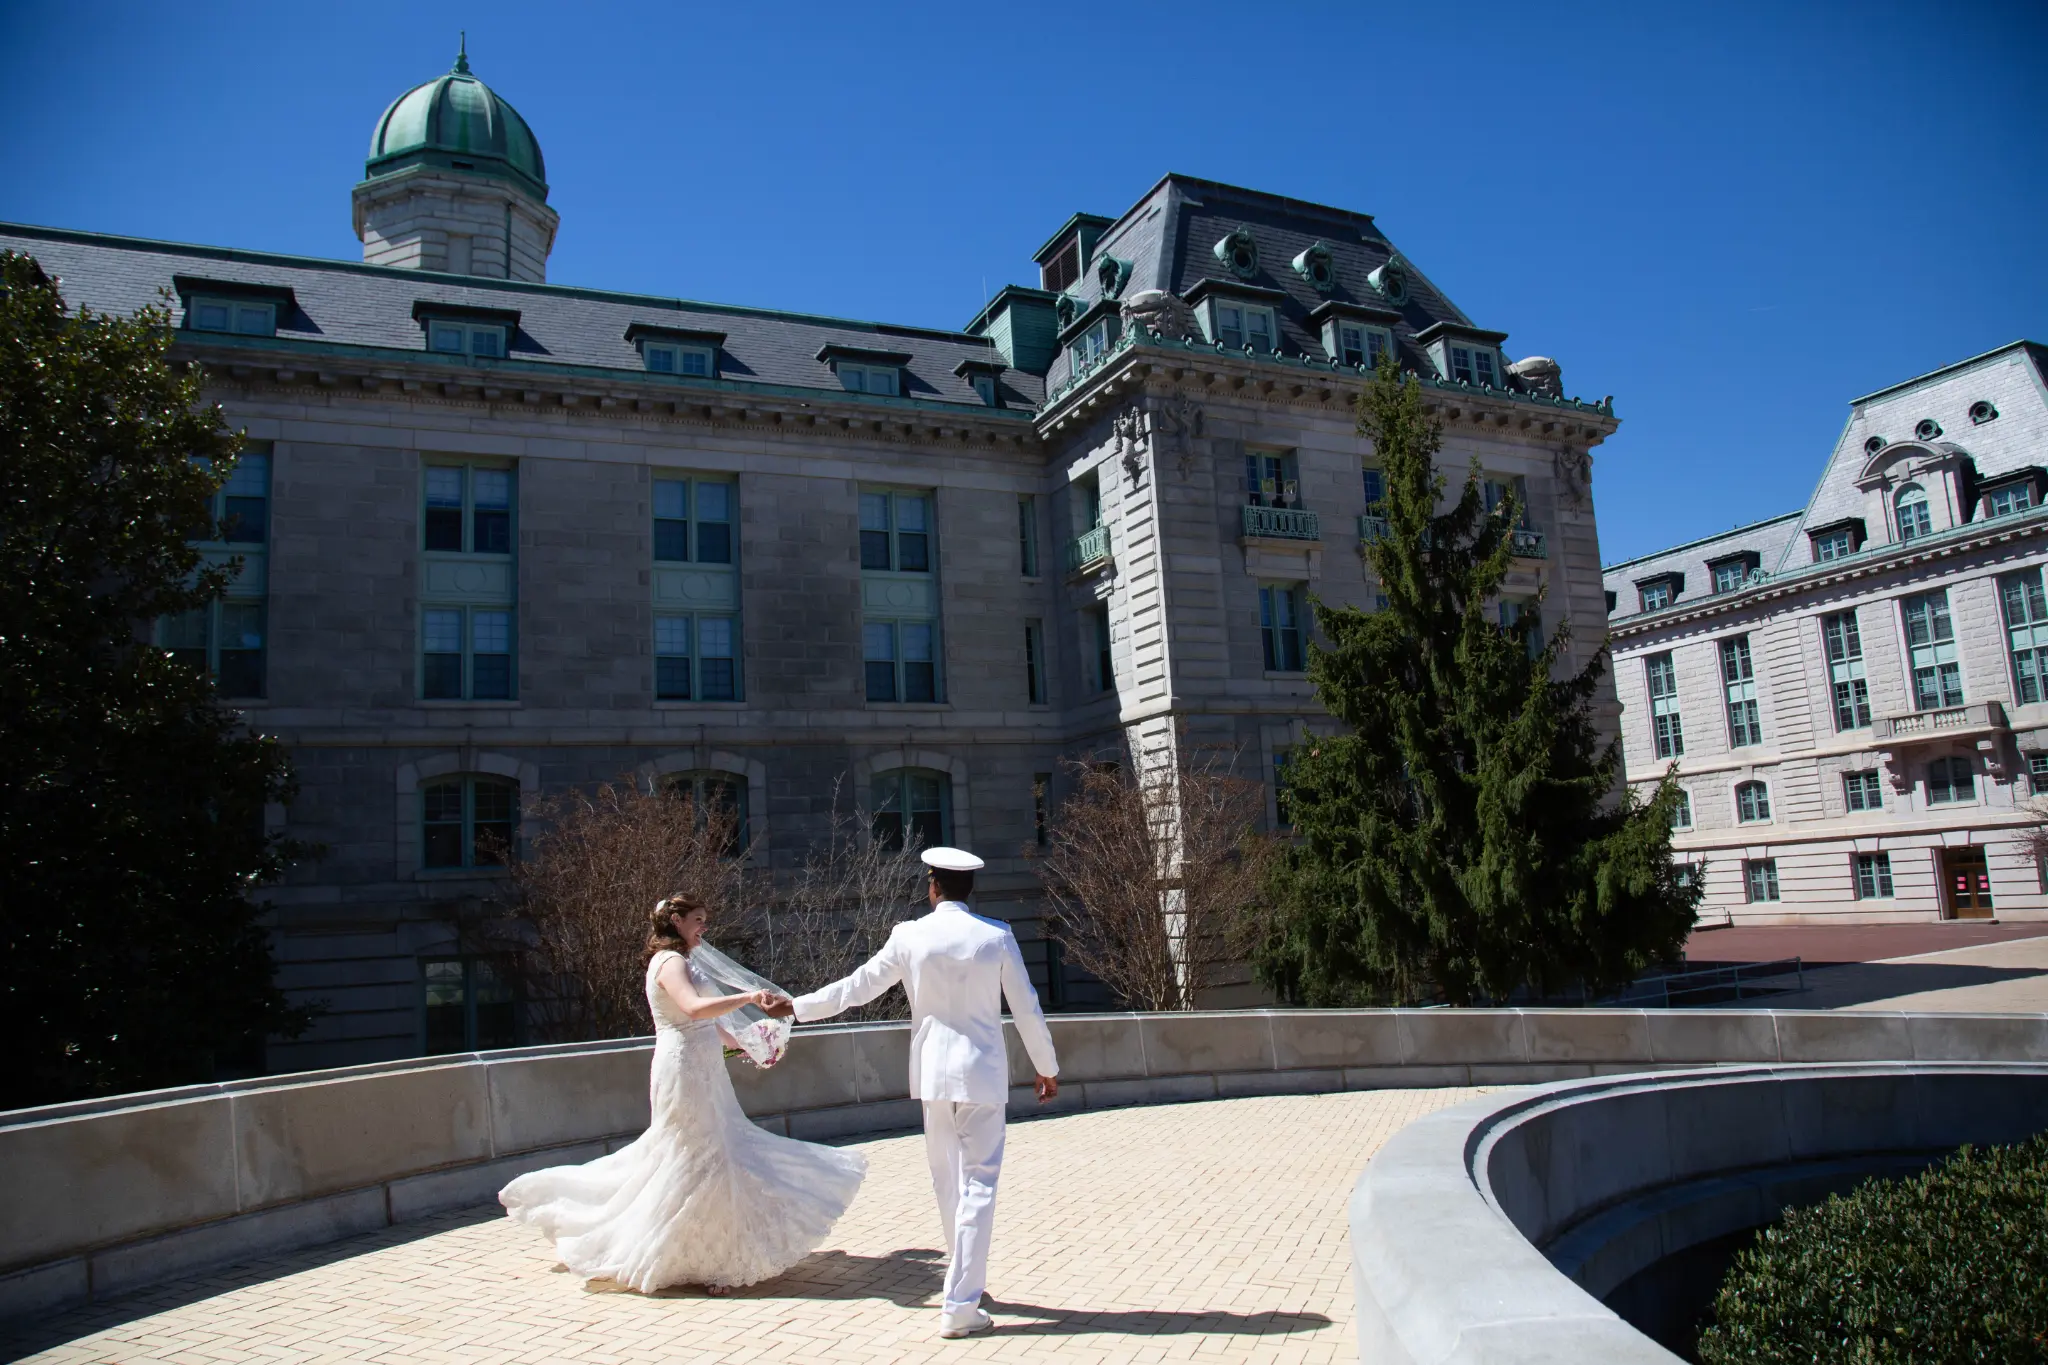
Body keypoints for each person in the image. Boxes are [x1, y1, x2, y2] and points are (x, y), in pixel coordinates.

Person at [498, 892, 867, 1294]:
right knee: (697, 1155)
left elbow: (707, 1024)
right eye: (698, 919)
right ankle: (702, 1256)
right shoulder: (670, 962)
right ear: (676, 922)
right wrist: (746, 998)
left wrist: (748, 1043)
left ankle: (712, 1252)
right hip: (683, 1069)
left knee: (712, 1152)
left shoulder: (684, 961)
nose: (704, 926)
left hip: (703, 1066)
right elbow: (691, 1009)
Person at [775, 846, 1059, 1339]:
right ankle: (962, 1299)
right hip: (981, 1075)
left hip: (932, 1076)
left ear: (932, 887)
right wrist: (1047, 1067)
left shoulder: (909, 936)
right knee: (979, 1186)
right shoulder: (996, 936)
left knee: (947, 1182)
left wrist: (797, 1008)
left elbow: (857, 987)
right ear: (971, 890)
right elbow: (1026, 1007)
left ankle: (962, 1284)